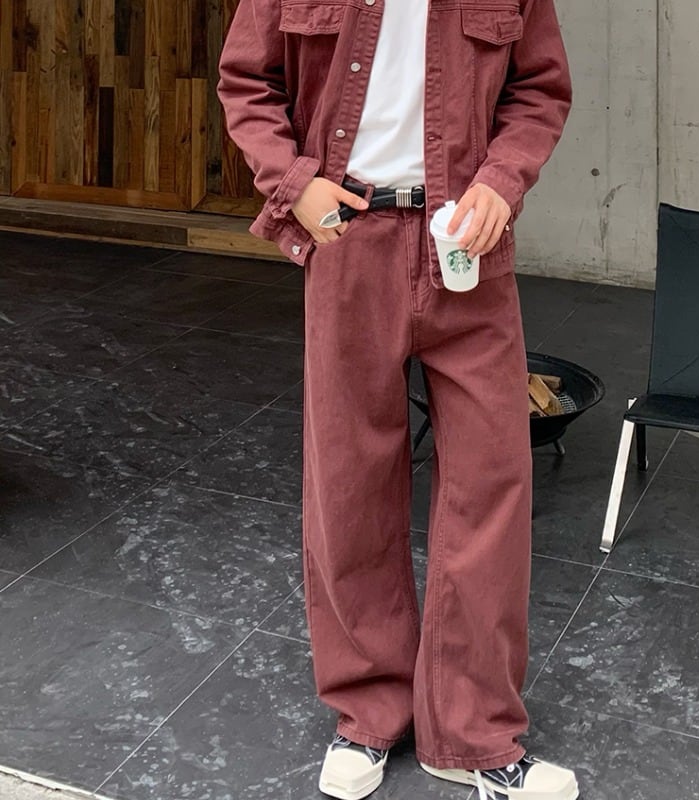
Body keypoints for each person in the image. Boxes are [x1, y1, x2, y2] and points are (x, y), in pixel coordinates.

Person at [218, 1, 576, 798]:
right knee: (350, 482)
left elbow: (540, 88)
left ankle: (471, 734)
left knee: (491, 482)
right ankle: (368, 714)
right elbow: (246, 81)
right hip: (350, 239)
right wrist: (292, 184)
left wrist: (501, 181)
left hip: (467, 247)